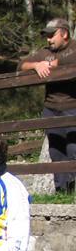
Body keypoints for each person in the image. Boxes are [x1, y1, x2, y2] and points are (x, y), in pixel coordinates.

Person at [19, 18, 76, 193]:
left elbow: (69, 60)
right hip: (51, 108)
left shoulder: (74, 47)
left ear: (64, 33)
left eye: (52, 35)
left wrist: (50, 65)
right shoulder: (45, 52)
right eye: (47, 36)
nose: (48, 39)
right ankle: (62, 192)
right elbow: (21, 65)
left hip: (73, 106)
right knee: (56, 152)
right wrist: (36, 64)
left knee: (74, 149)